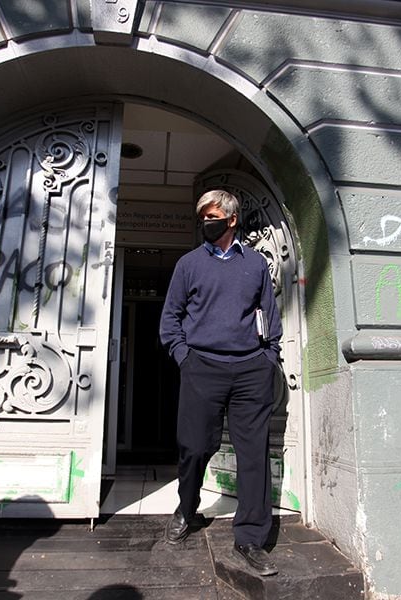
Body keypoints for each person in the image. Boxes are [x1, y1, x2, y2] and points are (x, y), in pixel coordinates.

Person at [158, 189, 282, 577]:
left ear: (231, 219)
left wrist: (268, 358)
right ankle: (187, 507)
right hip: (203, 368)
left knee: (253, 456)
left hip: (251, 370)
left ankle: (250, 539)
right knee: (195, 447)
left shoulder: (257, 265)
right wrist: (185, 358)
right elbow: (170, 319)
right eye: (202, 217)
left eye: (211, 216)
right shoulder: (188, 264)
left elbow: (269, 317)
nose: (205, 223)